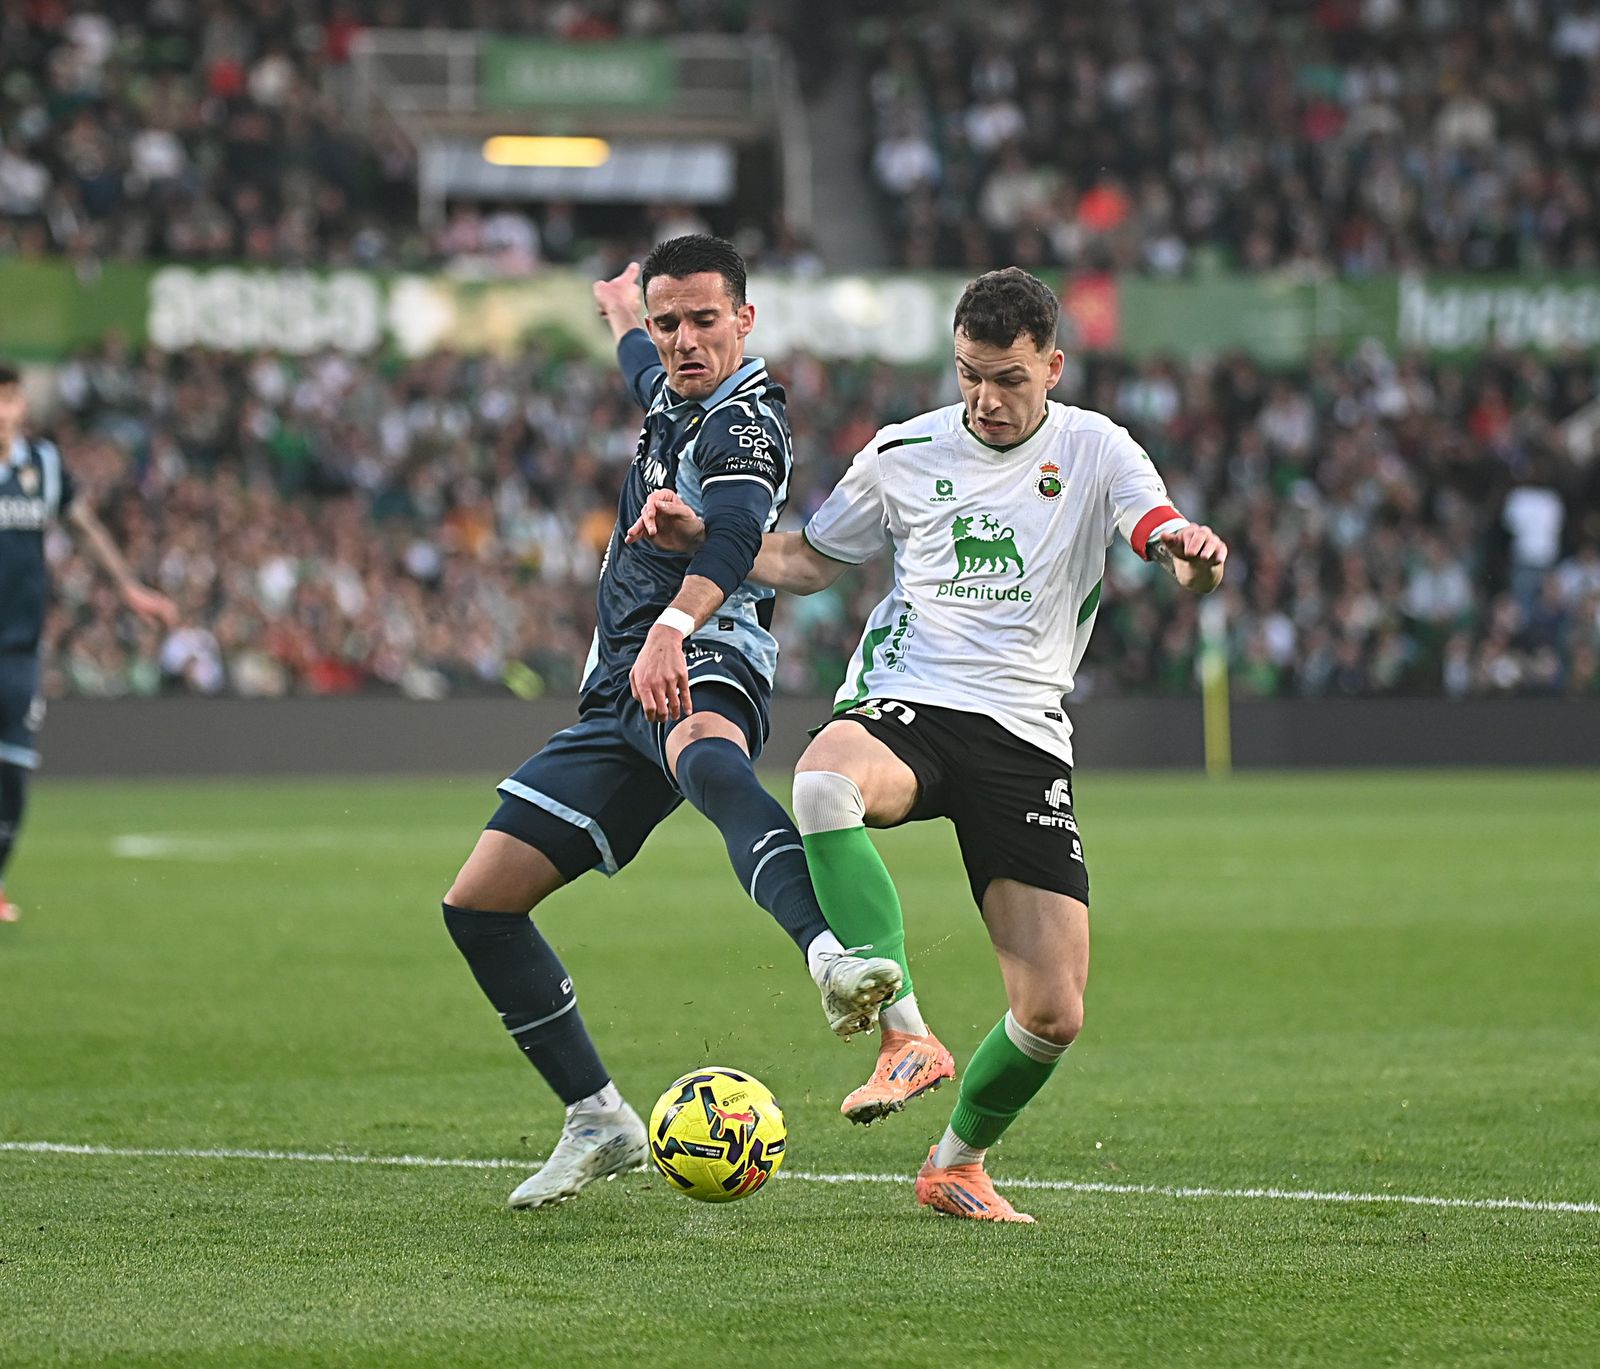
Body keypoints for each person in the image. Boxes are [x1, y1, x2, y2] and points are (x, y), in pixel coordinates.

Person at [627, 267, 1228, 1222]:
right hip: (912, 698)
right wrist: (706, 537)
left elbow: (1160, 533)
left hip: (1025, 732)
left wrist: (1191, 557)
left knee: (1053, 1013)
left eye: (1009, 379)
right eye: (969, 374)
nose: (986, 399)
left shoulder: (1097, 447)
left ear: (1052, 368)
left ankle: (956, 1163)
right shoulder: (904, 450)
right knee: (822, 782)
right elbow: (809, 560)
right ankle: (905, 1035)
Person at [440, 236, 900, 1211]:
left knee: (713, 764)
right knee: (479, 904)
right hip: (618, 687)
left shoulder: (744, 424)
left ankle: (828, 957)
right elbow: (639, 362)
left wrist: (672, 629)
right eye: (668, 323)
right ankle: (598, 1118)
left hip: (702, 649)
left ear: (746, 320)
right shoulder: (671, 385)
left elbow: (735, 535)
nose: (684, 340)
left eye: (704, 320)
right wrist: (619, 311)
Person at [0, 360, 178, 924]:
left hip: (18, 650)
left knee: (12, 774)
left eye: (10, 398)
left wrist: (128, 588)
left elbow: (82, 526)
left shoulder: (43, 465)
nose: (4, 411)